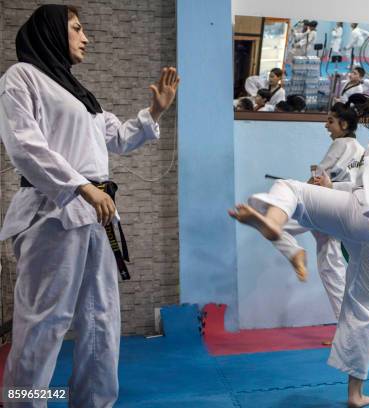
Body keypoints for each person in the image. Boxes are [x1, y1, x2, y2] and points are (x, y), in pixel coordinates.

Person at [0, 5, 179, 407]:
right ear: (50, 32)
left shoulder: (79, 94)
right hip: (52, 213)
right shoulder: (22, 77)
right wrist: (80, 186)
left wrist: (155, 112)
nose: (86, 38)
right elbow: (25, 146)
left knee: (101, 317)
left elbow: (115, 137)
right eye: (77, 29)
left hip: (96, 213)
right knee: (44, 322)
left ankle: (93, 401)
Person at [229, 97, 369, 408]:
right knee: (361, 310)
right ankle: (356, 394)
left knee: (290, 189)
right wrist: (333, 188)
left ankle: (274, 225)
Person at [271, 102, 368, 332]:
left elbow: (318, 177)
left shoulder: (339, 143)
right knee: (332, 270)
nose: (326, 126)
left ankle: (293, 251)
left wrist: (299, 190)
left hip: (322, 208)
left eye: (330, 121)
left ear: (344, 124)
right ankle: (347, 330)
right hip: (343, 211)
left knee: (274, 220)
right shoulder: (361, 150)